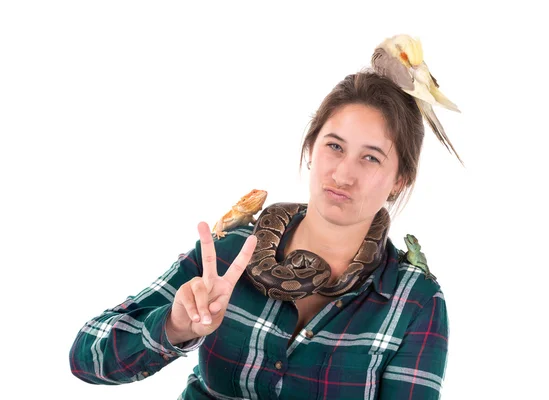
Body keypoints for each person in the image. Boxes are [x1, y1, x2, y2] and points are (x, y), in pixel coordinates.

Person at [70, 35, 455, 399]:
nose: (342, 174)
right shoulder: (229, 256)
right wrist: (174, 327)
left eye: (370, 157)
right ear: (310, 149)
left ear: (399, 180)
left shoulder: (415, 302)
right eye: (334, 146)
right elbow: (86, 356)